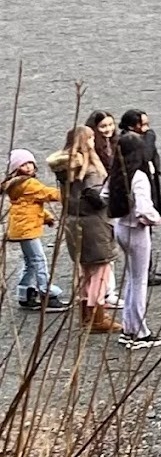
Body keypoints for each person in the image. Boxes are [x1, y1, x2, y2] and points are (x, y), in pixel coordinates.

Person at [47, 127, 119, 332]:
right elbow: (97, 199)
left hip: (73, 222)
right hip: (93, 224)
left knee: (85, 271)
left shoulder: (64, 171)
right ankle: (97, 317)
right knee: (100, 270)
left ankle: (85, 315)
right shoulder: (89, 170)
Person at [107, 133, 161, 348]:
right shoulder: (138, 176)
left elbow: (105, 195)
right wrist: (156, 219)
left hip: (120, 226)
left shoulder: (116, 173)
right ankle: (140, 332)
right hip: (136, 230)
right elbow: (144, 208)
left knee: (131, 280)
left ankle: (128, 327)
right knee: (139, 282)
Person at [5, 149, 66, 311]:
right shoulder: (29, 183)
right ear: (16, 168)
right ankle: (46, 294)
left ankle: (24, 294)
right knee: (39, 261)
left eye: (29, 163)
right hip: (27, 230)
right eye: (23, 164)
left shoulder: (18, 184)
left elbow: (30, 205)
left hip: (22, 228)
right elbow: (47, 194)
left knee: (30, 262)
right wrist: (67, 190)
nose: (28, 166)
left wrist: (46, 217)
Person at [118, 108, 161, 291]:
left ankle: (149, 268)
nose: (147, 128)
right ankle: (145, 271)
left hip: (150, 182)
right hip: (138, 186)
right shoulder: (129, 142)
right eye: (143, 124)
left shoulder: (145, 137)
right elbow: (145, 155)